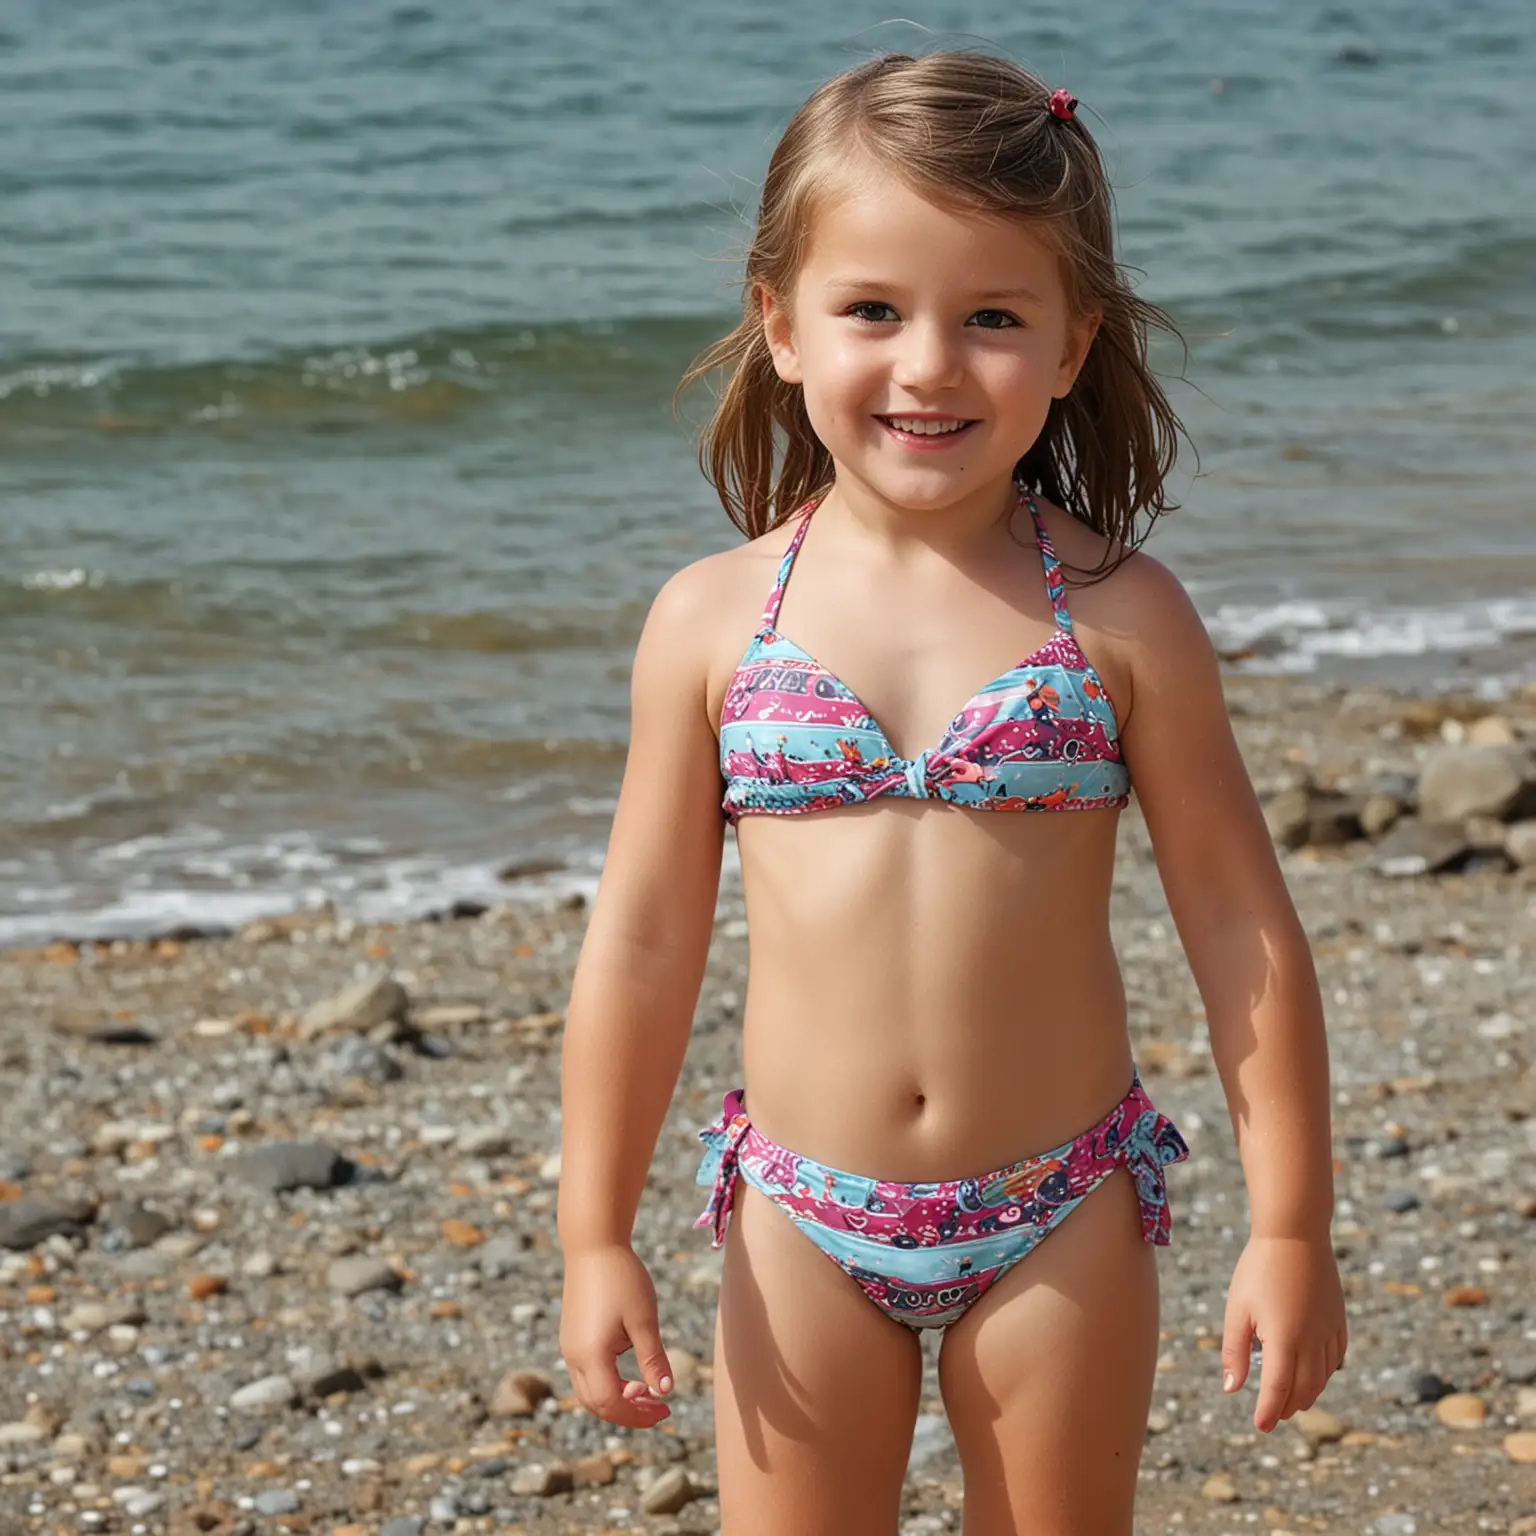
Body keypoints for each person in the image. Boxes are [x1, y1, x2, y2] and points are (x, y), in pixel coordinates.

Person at [558, 49, 1346, 1535]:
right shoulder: (716, 620)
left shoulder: (1120, 616)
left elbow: (1241, 926)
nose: (928, 365)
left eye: (992, 318)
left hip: (1061, 1207)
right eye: (873, 310)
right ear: (781, 325)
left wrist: (1293, 1225)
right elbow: (646, 941)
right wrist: (592, 1233)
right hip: (804, 1211)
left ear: (1070, 344)